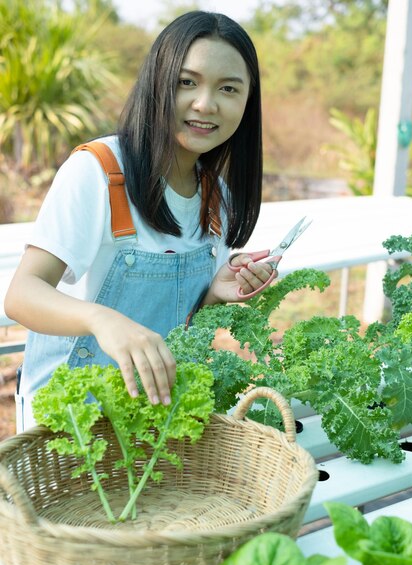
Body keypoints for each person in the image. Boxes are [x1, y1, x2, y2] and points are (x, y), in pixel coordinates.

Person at [6, 9, 274, 430]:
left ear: (247, 102)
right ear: (157, 82)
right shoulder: (97, 170)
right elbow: (22, 294)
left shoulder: (216, 196)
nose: (205, 104)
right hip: (69, 422)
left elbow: (174, 331)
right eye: (187, 82)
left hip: (152, 417)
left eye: (228, 88)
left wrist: (212, 295)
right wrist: (102, 320)